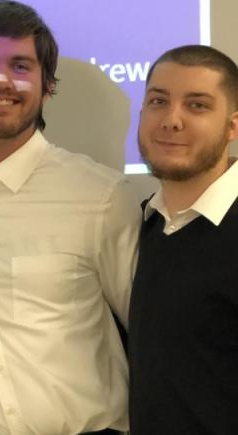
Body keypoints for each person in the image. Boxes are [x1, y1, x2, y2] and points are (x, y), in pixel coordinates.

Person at [0, 1, 140, 434]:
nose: (0, 80)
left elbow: (153, 331)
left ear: (47, 85)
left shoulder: (103, 196)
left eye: (20, 66)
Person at [128, 45, 238, 434]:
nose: (171, 120)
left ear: (233, 126)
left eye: (197, 105)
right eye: (158, 101)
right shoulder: (147, 220)